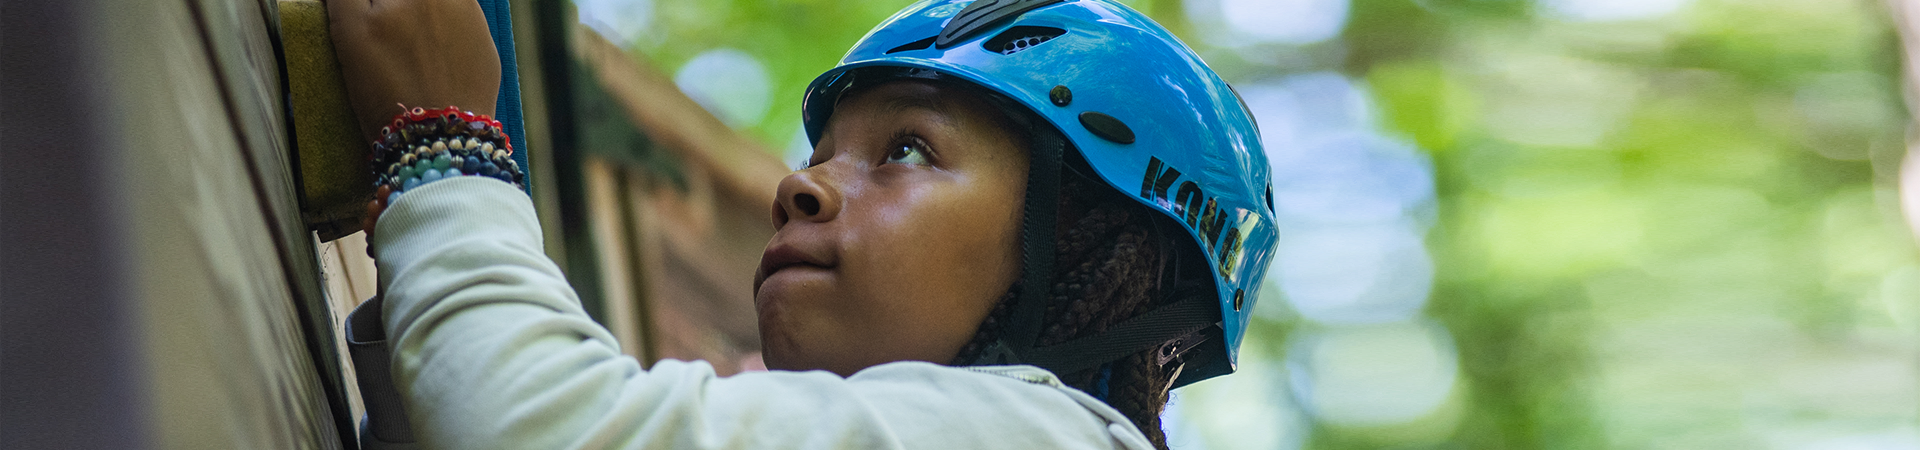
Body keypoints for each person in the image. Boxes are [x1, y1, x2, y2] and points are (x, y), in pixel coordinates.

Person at [327, 0, 1278, 448]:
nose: (802, 188)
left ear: (1088, 247)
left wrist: (445, 148)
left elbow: (541, 434)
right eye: (821, 155)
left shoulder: (1041, 436)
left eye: (908, 150)